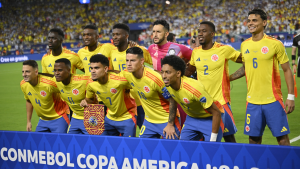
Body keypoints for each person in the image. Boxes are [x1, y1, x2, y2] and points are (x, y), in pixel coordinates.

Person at [233, 9, 295, 145]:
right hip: (252, 101)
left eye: (254, 20)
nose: (250, 23)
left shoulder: (275, 44)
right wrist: (229, 77)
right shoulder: (244, 45)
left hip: (273, 100)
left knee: (282, 139)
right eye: (248, 21)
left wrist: (291, 96)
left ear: (264, 22)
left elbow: (287, 70)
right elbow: (246, 67)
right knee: (253, 140)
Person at [185, 21, 241, 143]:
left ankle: (234, 162)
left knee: (228, 137)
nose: (200, 34)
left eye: (204, 31)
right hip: (203, 102)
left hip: (221, 102)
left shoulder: (224, 49)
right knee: (204, 138)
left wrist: (231, 77)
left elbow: (247, 61)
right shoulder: (196, 52)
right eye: (199, 31)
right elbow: (189, 72)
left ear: (212, 34)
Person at [161, 55, 224, 142]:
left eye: (167, 72)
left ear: (178, 73)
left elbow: (216, 112)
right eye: (162, 72)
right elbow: (172, 99)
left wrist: (213, 140)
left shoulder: (194, 89)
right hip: (192, 118)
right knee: (183, 148)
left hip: (210, 117)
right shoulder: (168, 84)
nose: (164, 76)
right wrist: (170, 124)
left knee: (212, 151)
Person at [124, 47, 181, 139]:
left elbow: (172, 99)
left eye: (133, 60)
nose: (129, 64)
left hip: (166, 120)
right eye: (127, 60)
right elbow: (115, 75)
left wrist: (170, 124)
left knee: (172, 151)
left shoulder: (155, 79)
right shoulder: (127, 74)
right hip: (149, 122)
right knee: (142, 149)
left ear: (142, 61)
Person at [148, 19, 193, 128]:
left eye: (158, 32)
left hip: (178, 94)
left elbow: (195, 57)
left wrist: (187, 72)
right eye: (153, 32)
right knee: (163, 129)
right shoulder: (150, 49)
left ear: (166, 34)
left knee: (183, 128)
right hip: (160, 96)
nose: (155, 35)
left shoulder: (178, 48)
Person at [80, 54, 137, 137]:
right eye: (91, 68)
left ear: (105, 69)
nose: (92, 71)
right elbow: (89, 99)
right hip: (109, 118)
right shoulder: (90, 83)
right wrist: (85, 101)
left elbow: (138, 83)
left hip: (127, 117)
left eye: (96, 68)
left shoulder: (120, 80)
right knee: (106, 145)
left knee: (128, 147)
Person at [110, 23, 152, 129]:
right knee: (126, 135)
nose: (114, 37)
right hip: (123, 102)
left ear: (126, 36)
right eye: (113, 34)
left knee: (147, 132)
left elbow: (154, 67)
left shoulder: (139, 50)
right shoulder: (112, 52)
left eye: (118, 34)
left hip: (140, 101)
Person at [20, 60, 70, 133]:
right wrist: (28, 121)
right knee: (38, 143)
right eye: (23, 71)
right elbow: (29, 100)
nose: (24, 74)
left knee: (60, 143)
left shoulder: (50, 83)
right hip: (43, 120)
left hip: (59, 118)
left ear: (36, 72)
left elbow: (67, 90)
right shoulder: (23, 84)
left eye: (27, 71)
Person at [53, 58, 90, 134]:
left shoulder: (82, 81)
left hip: (90, 117)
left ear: (69, 70)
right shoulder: (56, 81)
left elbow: (99, 81)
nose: (56, 73)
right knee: (69, 142)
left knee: (92, 143)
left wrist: (88, 99)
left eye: (60, 70)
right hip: (75, 117)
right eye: (55, 70)